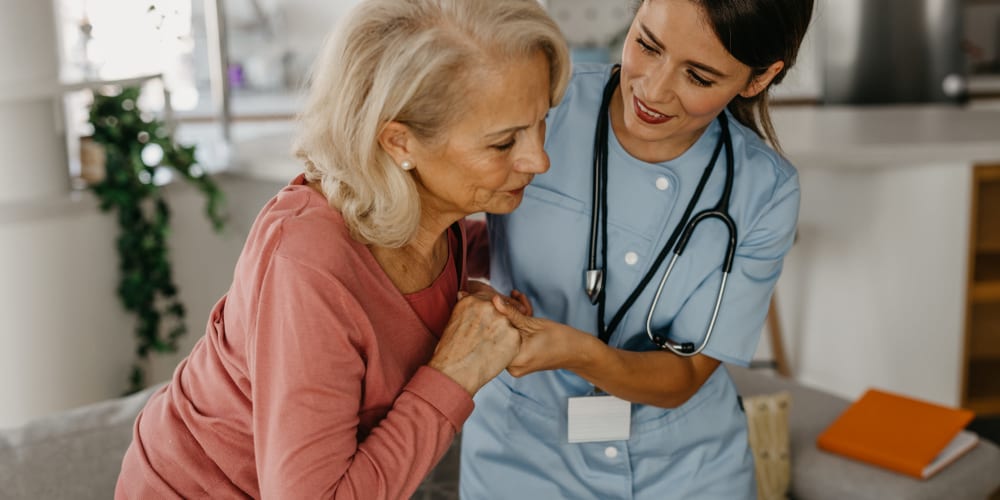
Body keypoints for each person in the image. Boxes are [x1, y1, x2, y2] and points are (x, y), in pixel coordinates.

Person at [115, 0, 570, 497]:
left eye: (540, 122)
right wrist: (456, 372)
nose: (539, 159)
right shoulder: (308, 263)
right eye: (504, 143)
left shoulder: (436, 218)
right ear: (399, 143)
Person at [460, 0, 814, 498]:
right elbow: (436, 221)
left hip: (688, 470)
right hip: (522, 456)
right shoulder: (540, 107)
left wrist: (581, 354)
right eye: (647, 44)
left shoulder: (765, 190)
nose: (652, 88)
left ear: (757, 79)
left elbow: (688, 372)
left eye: (699, 76)